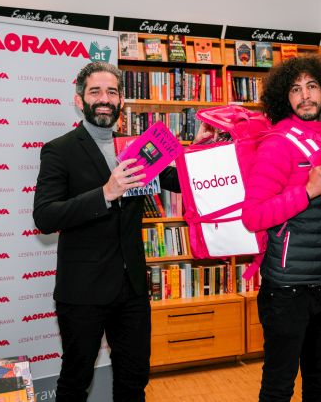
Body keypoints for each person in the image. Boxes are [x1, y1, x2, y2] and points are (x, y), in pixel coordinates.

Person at [33, 61, 210, 402]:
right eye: (95, 91)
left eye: (112, 92)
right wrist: (105, 193)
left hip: (132, 292)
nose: (104, 98)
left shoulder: (136, 147)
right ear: (78, 99)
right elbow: (45, 216)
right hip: (82, 292)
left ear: (121, 102)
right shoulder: (59, 150)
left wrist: (198, 149)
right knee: (74, 380)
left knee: (134, 380)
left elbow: (179, 178)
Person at [242, 55, 321, 402]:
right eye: (295, 89)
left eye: (312, 86)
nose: (305, 95)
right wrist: (306, 191)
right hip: (287, 289)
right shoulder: (278, 143)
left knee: (320, 383)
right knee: (279, 387)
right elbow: (254, 215)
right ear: (285, 97)